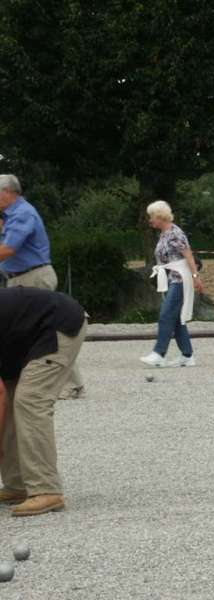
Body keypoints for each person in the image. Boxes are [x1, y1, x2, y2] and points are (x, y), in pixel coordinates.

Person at [0, 287, 87, 516]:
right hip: (21, 340)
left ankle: (46, 490)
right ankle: (17, 485)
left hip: (57, 324)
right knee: (12, 401)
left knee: (30, 399)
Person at [0, 174, 86, 400]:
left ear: (8, 192)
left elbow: (9, 248)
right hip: (19, 277)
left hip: (33, 277)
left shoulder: (22, 213)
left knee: (53, 332)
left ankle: (73, 385)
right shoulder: (11, 215)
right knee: (37, 333)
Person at [140, 200, 204, 368]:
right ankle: (187, 355)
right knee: (176, 319)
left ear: (160, 216)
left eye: (152, 216)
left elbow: (188, 256)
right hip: (171, 279)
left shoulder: (175, 233)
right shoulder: (164, 233)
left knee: (166, 315)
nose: (150, 220)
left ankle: (159, 353)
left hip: (180, 280)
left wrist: (196, 276)